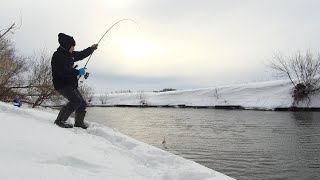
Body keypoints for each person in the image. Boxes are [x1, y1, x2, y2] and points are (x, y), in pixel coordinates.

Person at [51, 33, 98, 129]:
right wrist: (78, 72)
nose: (73, 48)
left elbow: (81, 54)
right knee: (76, 101)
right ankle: (59, 121)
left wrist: (91, 49)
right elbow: (63, 72)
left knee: (82, 103)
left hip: (70, 83)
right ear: (67, 46)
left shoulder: (70, 54)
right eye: (72, 46)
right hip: (62, 84)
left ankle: (79, 123)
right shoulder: (58, 56)